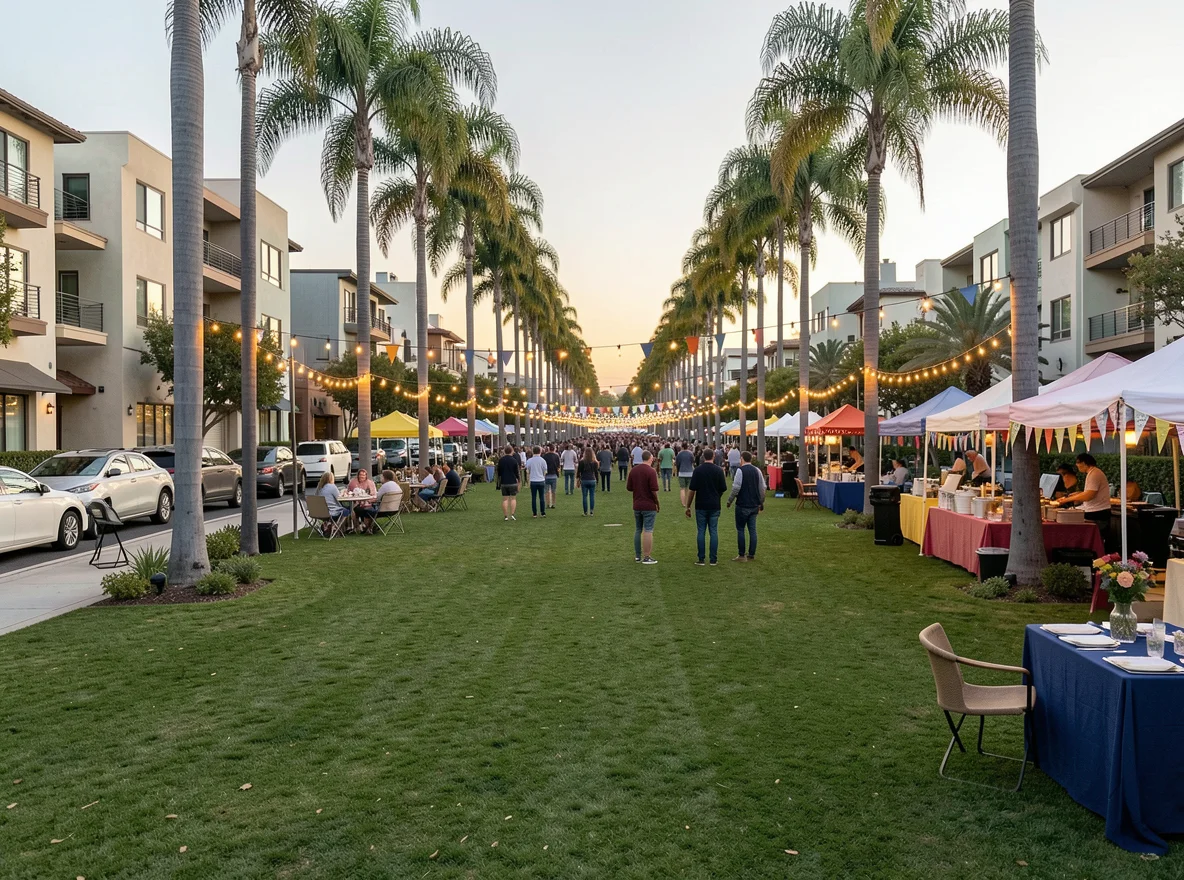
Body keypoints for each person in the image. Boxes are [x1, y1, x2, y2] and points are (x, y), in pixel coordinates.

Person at [1051, 452, 1111, 542]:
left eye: (1077, 462)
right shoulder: (1093, 473)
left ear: (1084, 463)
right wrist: (1077, 494)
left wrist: (1067, 499)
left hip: (1096, 512)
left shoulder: (1094, 474)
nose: (1076, 465)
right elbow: (1090, 492)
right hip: (1094, 510)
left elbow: (1088, 496)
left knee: (1066, 516)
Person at [685, 448, 727, 566]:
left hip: (701, 504)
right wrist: (717, 496)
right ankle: (713, 559)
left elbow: (692, 490)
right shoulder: (718, 471)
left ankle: (701, 558)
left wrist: (688, 506)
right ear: (713, 456)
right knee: (713, 531)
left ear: (703, 457)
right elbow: (723, 488)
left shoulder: (698, 471)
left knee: (701, 531)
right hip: (714, 504)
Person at [726, 451, 766, 562]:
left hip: (742, 504)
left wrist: (730, 500)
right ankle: (751, 554)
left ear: (742, 459)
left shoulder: (740, 471)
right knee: (752, 530)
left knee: (740, 529)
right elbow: (762, 488)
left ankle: (742, 555)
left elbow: (736, 488)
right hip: (754, 505)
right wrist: (761, 502)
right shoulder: (757, 471)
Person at [627, 449, 660, 564]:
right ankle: (647, 556)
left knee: (638, 529)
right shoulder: (651, 472)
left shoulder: (634, 471)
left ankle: (637, 555)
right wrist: (657, 503)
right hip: (649, 505)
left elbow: (629, 487)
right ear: (650, 458)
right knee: (648, 530)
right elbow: (654, 490)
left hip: (637, 504)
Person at [346, 467, 378, 532]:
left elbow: (373, 494)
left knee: (369, 510)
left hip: (368, 504)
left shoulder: (370, 483)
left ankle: (368, 527)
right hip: (357, 504)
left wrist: (369, 500)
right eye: (360, 475)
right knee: (355, 510)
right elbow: (348, 492)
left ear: (366, 476)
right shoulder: (353, 482)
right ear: (358, 475)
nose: (362, 476)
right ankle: (358, 527)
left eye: (363, 475)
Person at [496, 445, 521, 521]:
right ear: (511, 451)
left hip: (504, 482)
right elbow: (517, 472)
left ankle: (506, 516)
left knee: (505, 499)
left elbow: (499, 472)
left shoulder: (501, 460)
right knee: (513, 498)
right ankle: (512, 514)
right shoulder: (514, 460)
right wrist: (519, 480)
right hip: (512, 481)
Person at [524, 446, 549, 518]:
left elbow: (527, 470)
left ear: (532, 452)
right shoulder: (543, 460)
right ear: (540, 451)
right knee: (542, 497)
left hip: (533, 480)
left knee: (533, 497)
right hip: (541, 480)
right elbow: (545, 471)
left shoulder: (529, 460)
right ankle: (543, 512)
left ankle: (534, 513)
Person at [577, 446, 599, 516]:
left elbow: (579, 472)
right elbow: (596, 472)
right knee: (592, 496)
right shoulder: (595, 462)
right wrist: (597, 480)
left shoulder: (582, 462)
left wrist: (578, 479)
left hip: (584, 480)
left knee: (584, 496)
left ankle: (585, 512)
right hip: (592, 479)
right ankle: (591, 511)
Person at [675, 441, 696, 507]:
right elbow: (693, 462)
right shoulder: (690, 454)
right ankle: (689, 501)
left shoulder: (679, 454)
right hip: (690, 472)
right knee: (690, 488)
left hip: (681, 472)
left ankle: (683, 503)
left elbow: (677, 463)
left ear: (682, 447)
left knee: (682, 488)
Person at [543, 444, 561, 509]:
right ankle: (553, 503)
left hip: (547, 475)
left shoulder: (545, 456)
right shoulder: (556, 456)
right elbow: (558, 466)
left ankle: (548, 504)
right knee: (554, 491)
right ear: (554, 449)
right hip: (554, 475)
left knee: (547, 491)